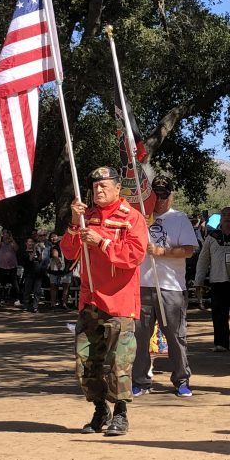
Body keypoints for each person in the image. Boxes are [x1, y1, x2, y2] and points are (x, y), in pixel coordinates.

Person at [61, 166, 148, 436]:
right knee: (86, 362)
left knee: (119, 362)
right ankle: (100, 409)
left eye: (104, 186)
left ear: (118, 189)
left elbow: (134, 255)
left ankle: (121, 413)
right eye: (95, 186)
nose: (98, 191)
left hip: (119, 302)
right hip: (90, 300)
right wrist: (75, 224)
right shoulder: (87, 218)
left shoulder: (131, 218)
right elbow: (69, 251)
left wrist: (103, 242)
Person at [132, 175, 199, 397]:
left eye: (164, 195)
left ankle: (181, 380)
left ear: (171, 196)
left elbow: (189, 250)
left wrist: (163, 252)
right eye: (156, 195)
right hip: (141, 285)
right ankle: (140, 381)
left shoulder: (179, 218)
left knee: (176, 336)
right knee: (139, 337)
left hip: (171, 287)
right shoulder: (139, 217)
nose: (160, 200)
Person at [195, 207, 230, 351]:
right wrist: (198, 282)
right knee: (219, 313)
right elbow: (203, 260)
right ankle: (220, 343)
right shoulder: (212, 237)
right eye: (224, 215)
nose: (227, 217)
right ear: (220, 219)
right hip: (218, 280)